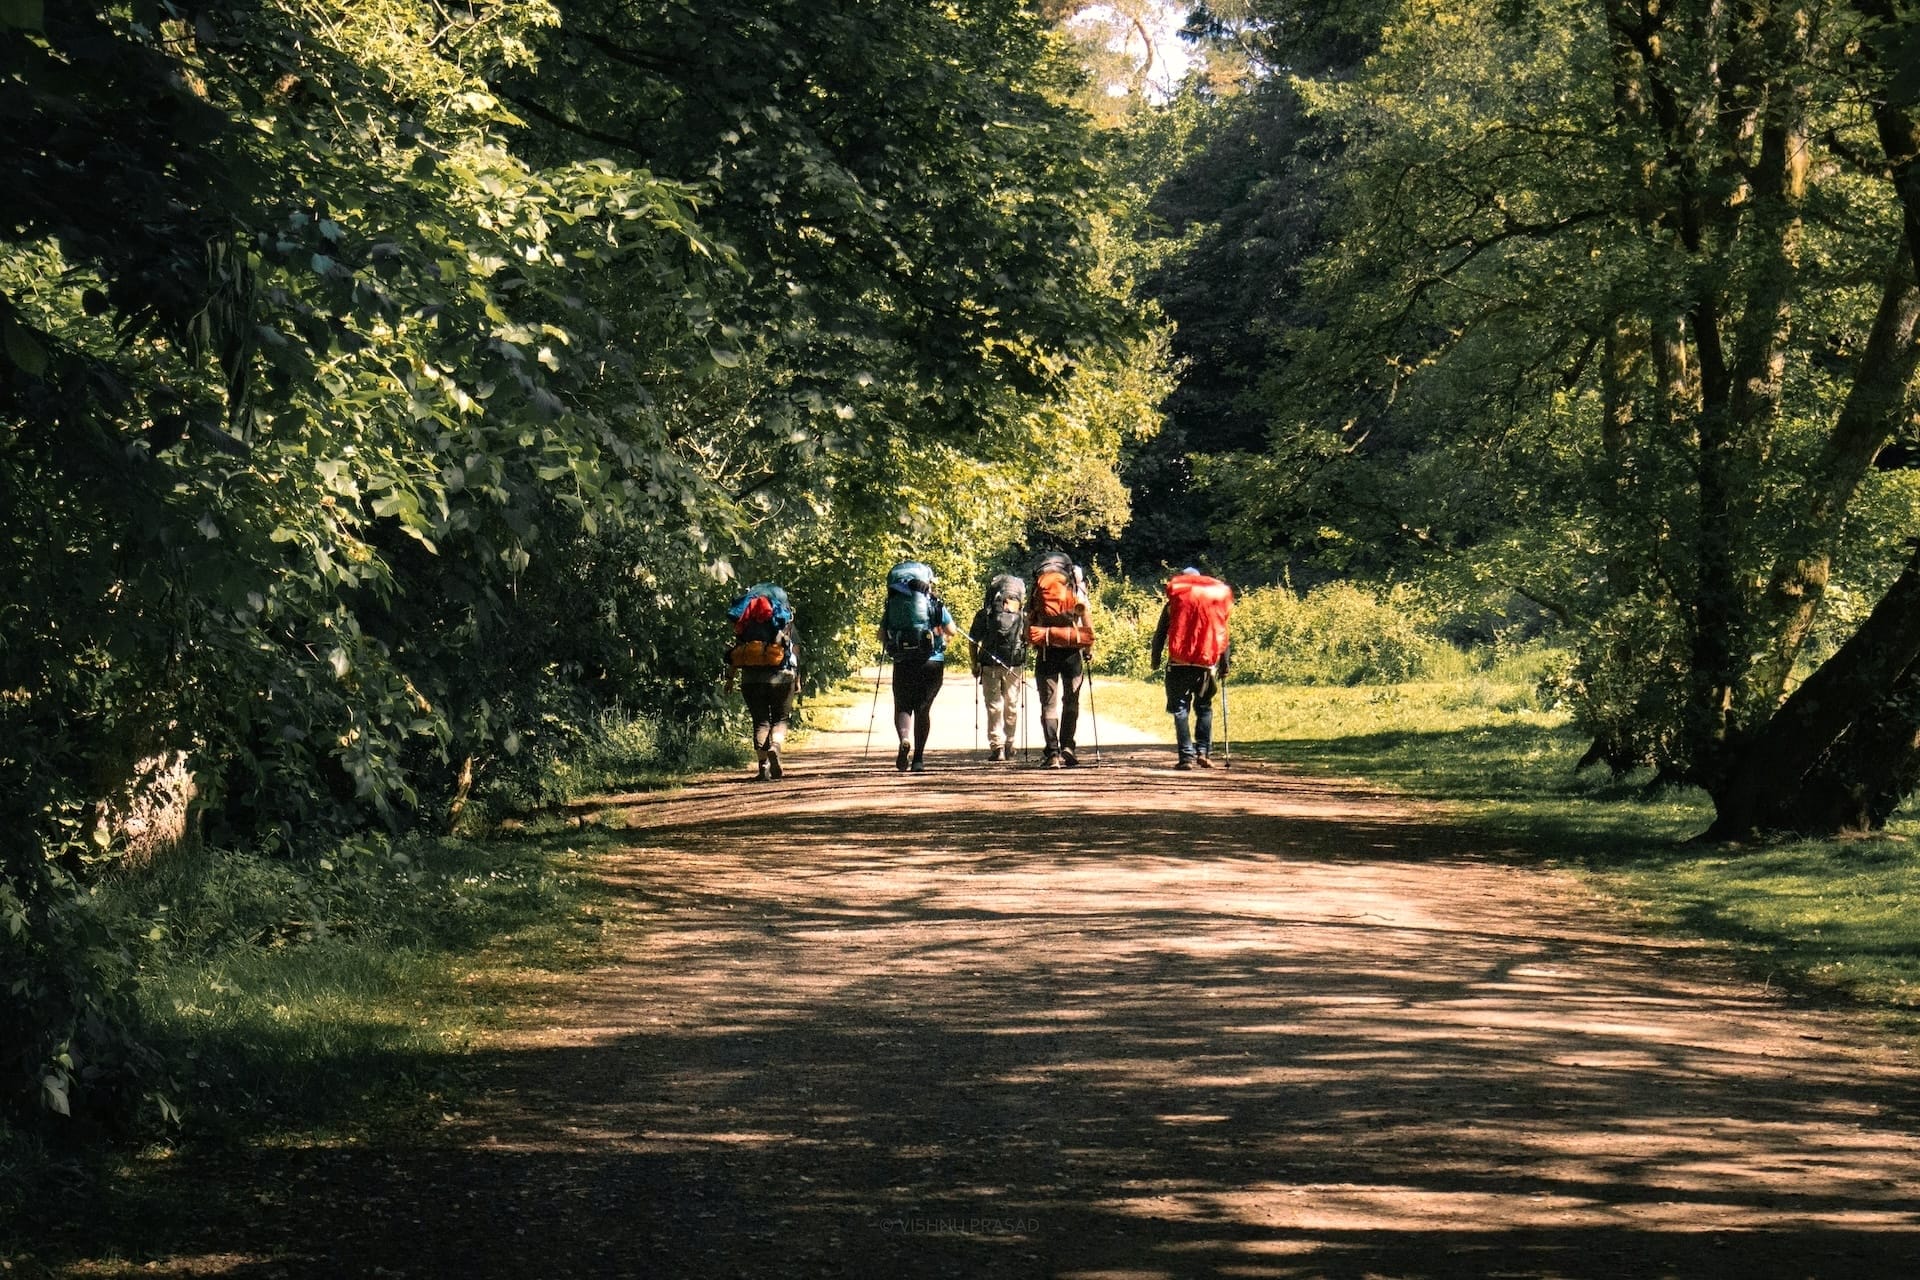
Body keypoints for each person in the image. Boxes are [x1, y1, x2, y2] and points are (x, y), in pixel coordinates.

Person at [1150, 567, 1234, 770]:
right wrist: (1225, 665)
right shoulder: (1214, 604)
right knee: (1204, 707)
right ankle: (1203, 752)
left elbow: (1160, 634)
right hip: (1205, 664)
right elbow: (1221, 636)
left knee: (1180, 709)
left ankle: (1186, 757)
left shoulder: (1173, 605)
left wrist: (1155, 659)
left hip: (1178, 663)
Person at [880, 561, 956, 774]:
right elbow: (952, 630)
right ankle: (919, 760)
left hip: (903, 661)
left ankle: (904, 738)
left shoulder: (893, 603)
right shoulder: (933, 603)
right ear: (927, 581)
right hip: (932, 661)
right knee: (923, 709)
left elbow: (881, 635)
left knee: (903, 705)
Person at [723, 583, 801, 781]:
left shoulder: (746, 624)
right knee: (780, 719)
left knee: (760, 722)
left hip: (751, 680)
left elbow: (736, 653)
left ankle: (763, 768)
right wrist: (798, 678)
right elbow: (795, 652)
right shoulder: (785, 621)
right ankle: (775, 747)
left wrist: (730, 679)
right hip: (782, 677)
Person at [1026, 551, 1094, 768]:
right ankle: (1068, 746)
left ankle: (1052, 754)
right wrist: (1088, 649)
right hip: (1072, 650)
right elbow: (1086, 620)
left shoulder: (1039, 587)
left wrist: (1029, 641)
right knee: (1071, 700)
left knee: (1049, 704)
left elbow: (1029, 619)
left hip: (1047, 650)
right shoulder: (1075, 586)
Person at [967, 573, 1029, 762]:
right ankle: (1011, 744)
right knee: (1012, 705)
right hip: (1014, 665)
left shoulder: (985, 613)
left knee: (994, 706)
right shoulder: (1022, 614)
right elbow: (1028, 638)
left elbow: (973, 640)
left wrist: (974, 663)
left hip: (988, 664)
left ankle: (997, 747)